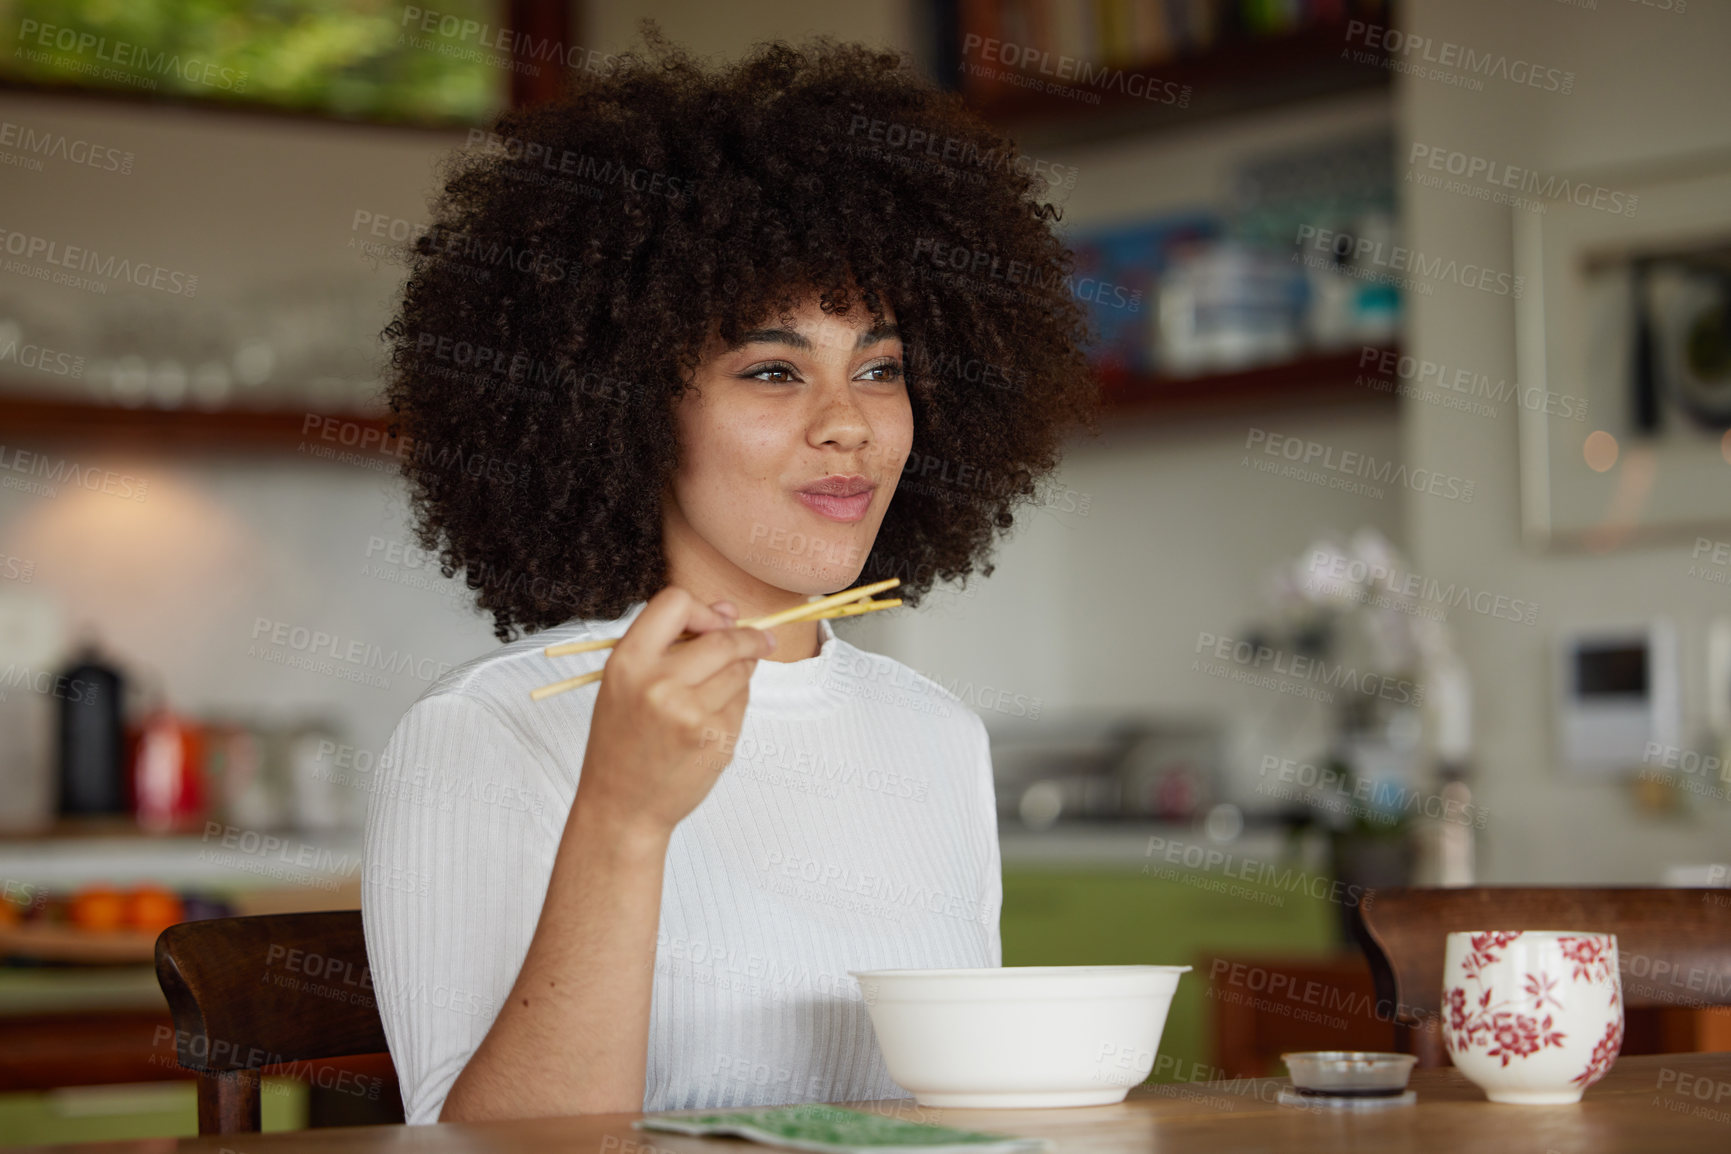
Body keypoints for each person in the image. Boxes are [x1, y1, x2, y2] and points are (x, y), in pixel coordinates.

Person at [361, 23, 1097, 1125]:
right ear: (620, 398)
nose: (848, 425)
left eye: (881, 367)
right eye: (772, 369)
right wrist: (623, 814)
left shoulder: (936, 735)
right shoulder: (488, 731)